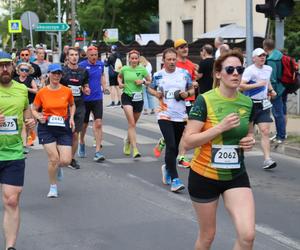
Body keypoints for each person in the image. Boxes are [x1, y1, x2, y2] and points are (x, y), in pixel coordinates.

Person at [182, 50, 256, 250]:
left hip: (235, 175)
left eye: (239, 69)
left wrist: (249, 141)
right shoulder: (205, 100)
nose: (235, 74)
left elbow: (248, 133)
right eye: (229, 69)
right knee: (207, 236)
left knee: (247, 235)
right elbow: (188, 141)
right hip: (204, 176)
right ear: (217, 74)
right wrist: (219, 128)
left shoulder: (247, 103)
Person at [0, 51, 35, 250]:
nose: (4, 69)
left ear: (12, 67)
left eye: (7, 65)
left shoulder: (22, 90)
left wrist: (31, 123)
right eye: (0, 65)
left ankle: (10, 247)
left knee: (12, 201)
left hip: (13, 152)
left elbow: (27, 116)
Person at [148, 48, 194, 192]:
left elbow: (192, 89)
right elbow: (150, 88)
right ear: (164, 61)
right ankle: (175, 180)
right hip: (164, 114)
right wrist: (157, 93)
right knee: (172, 145)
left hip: (180, 115)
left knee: (174, 148)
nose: (172, 62)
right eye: (169, 59)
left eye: (174, 59)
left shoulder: (184, 74)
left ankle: (167, 168)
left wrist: (186, 93)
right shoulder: (158, 75)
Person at [31, 63, 75, 198]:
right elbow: (33, 108)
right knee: (54, 159)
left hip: (63, 127)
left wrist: (72, 118)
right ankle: (53, 187)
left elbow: (72, 105)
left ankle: (58, 167)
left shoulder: (67, 91)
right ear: (48, 74)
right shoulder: (42, 92)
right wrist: (38, 116)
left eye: (59, 73)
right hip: (47, 128)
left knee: (66, 161)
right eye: (54, 73)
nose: (56, 76)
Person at [153, 39, 196, 167]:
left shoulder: (190, 66)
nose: (185, 49)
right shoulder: (160, 73)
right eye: (181, 47)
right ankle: (174, 157)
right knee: (172, 143)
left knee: (185, 133)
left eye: (186, 46)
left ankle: (180, 155)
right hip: (165, 111)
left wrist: (190, 90)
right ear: (176, 50)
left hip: (185, 104)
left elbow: (192, 83)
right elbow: (154, 86)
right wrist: (157, 93)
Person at [239, 48, 277, 170]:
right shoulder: (249, 70)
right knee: (247, 133)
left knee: (265, 131)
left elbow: (267, 81)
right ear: (254, 58)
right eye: (260, 56)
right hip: (249, 104)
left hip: (263, 104)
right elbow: (241, 86)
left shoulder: (268, 69)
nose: (262, 58)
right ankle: (240, 157)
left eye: (264, 56)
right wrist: (257, 85)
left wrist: (271, 90)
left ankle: (267, 159)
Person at [61, 47, 90, 169]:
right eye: (71, 55)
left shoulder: (83, 71)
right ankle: (62, 155)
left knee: (75, 134)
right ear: (67, 56)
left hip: (79, 105)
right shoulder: (62, 71)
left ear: (78, 56)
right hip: (64, 105)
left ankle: (71, 159)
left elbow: (85, 85)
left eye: (76, 55)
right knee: (63, 132)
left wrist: (86, 89)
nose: (74, 57)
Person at [118, 49, 151, 158]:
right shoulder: (124, 69)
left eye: (136, 58)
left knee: (133, 124)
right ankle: (135, 149)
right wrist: (120, 84)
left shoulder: (142, 69)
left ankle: (127, 141)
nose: (134, 60)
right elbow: (119, 77)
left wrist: (143, 82)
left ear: (138, 59)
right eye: (132, 58)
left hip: (138, 98)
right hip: (127, 96)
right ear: (129, 59)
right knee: (131, 123)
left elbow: (149, 81)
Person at [78, 46, 108, 161]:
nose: (94, 57)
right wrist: (83, 88)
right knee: (84, 125)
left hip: (97, 98)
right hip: (85, 99)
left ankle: (98, 152)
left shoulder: (100, 64)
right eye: (91, 55)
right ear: (87, 55)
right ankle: (81, 142)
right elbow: (79, 81)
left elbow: (102, 77)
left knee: (99, 123)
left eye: (95, 55)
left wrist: (104, 87)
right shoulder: (82, 66)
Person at [263, 39, 286, 144]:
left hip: (277, 90)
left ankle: (280, 136)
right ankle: (280, 134)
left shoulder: (272, 59)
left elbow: (272, 78)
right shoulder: (279, 54)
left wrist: (272, 92)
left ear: (266, 47)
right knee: (281, 112)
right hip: (283, 86)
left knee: (277, 113)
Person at [14, 62, 38, 150]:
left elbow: (36, 90)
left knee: (28, 124)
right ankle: (23, 144)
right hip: (18, 104)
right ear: (18, 71)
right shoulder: (15, 80)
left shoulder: (30, 79)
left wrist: (25, 88)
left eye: (26, 70)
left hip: (29, 104)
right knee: (22, 124)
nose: (24, 72)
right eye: (22, 70)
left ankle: (27, 138)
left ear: (29, 72)